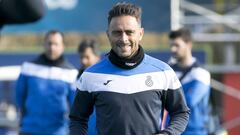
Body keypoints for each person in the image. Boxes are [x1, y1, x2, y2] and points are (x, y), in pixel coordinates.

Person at [69, 3, 190, 135]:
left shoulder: (163, 72)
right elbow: (77, 119)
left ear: (140, 33)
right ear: (108, 34)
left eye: (129, 32)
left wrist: (168, 133)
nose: (123, 39)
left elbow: (181, 112)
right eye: (117, 32)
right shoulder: (90, 75)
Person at [16, 30, 78, 135]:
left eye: (56, 44)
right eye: (49, 43)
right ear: (44, 44)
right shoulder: (28, 67)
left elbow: (75, 107)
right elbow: (19, 97)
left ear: (62, 46)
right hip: (29, 130)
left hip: (58, 132)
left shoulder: (72, 73)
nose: (52, 47)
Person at [168, 28, 211, 135]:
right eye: (171, 45)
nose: (173, 49)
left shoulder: (201, 73)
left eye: (177, 45)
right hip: (172, 130)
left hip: (195, 131)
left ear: (189, 45)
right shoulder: (169, 71)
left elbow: (189, 101)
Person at [77, 39, 101, 135]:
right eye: (81, 57)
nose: (83, 61)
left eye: (87, 57)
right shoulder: (74, 80)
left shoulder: (106, 82)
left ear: (97, 57)